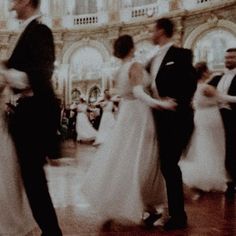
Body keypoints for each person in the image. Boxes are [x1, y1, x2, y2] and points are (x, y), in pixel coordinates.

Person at [80, 35, 176, 225]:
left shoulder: (118, 70)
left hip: (126, 113)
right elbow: (139, 92)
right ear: (132, 49)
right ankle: (146, 206)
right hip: (139, 114)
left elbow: (124, 93)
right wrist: (161, 104)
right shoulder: (135, 66)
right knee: (141, 157)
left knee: (124, 156)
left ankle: (132, 203)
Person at [0, 0, 62, 235]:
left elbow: (40, 74)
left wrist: (5, 73)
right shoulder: (24, 31)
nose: (10, 4)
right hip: (23, 116)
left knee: (34, 181)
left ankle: (52, 232)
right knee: (31, 180)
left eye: (14, 0)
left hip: (33, 118)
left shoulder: (40, 31)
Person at [146, 17, 197, 230]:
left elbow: (189, 83)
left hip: (177, 119)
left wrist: (176, 102)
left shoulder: (181, 55)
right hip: (157, 120)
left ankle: (178, 216)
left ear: (161, 31)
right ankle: (162, 208)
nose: (150, 33)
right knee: (163, 167)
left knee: (169, 165)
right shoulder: (150, 60)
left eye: (152, 29)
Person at [179, 61, 236, 196]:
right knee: (215, 145)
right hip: (211, 117)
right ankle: (212, 176)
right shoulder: (207, 87)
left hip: (201, 116)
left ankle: (205, 173)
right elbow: (223, 98)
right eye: (208, 69)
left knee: (204, 144)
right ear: (204, 72)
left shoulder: (194, 86)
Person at [208, 48, 236, 198]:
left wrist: (221, 96)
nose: (228, 60)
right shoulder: (218, 77)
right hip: (217, 116)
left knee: (232, 148)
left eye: (232, 57)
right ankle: (226, 180)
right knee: (221, 149)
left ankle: (232, 182)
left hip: (232, 116)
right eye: (227, 58)